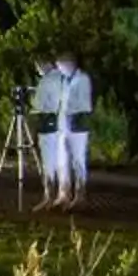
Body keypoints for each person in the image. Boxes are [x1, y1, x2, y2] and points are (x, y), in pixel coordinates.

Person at [30, 49, 95, 210]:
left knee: (78, 161)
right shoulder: (64, 81)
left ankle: (80, 195)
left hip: (77, 127)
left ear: (69, 64)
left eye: (60, 66)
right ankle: (63, 195)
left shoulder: (82, 79)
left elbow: (83, 104)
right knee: (62, 161)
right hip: (63, 126)